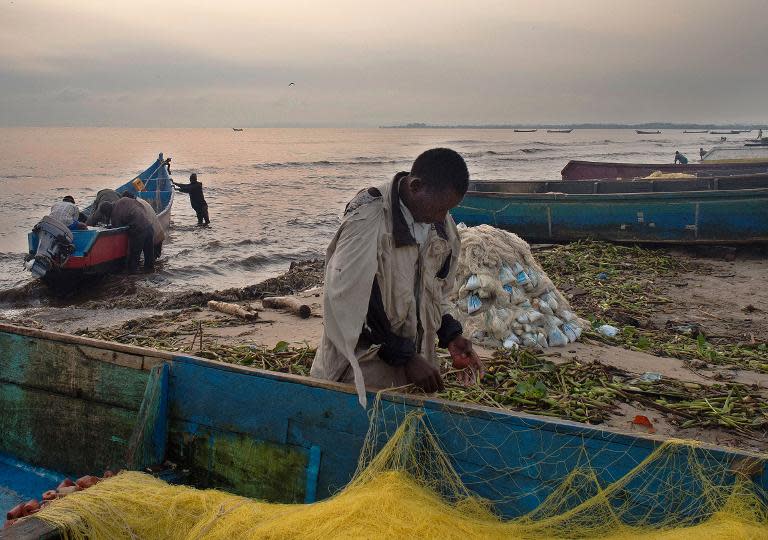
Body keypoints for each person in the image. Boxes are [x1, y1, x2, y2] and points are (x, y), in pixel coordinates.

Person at [310, 148, 485, 407]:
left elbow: (436, 290)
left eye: (448, 209)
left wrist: (450, 334)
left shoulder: (439, 224)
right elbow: (346, 302)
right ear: (415, 187)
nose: (442, 217)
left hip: (410, 378)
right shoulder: (368, 219)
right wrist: (405, 358)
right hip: (357, 379)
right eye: (439, 209)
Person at [93, 198, 155, 272]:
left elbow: (117, 230)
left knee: (134, 256)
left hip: (138, 230)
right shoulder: (123, 200)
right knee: (149, 255)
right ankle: (150, 271)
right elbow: (140, 206)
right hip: (149, 226)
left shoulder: (115, 214)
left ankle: (133, 277)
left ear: (107, 212)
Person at [121, 191, 165, 257]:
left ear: (129, 199)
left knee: (153, 259)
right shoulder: (139, 201)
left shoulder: (137, 205)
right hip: (157, 234)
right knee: (153, 261)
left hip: (154, 237)